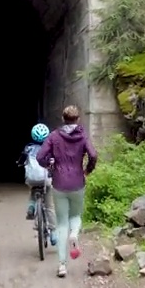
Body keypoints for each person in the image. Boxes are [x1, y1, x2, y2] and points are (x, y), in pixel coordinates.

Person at [36, 105, 98, 278]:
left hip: (59, 183)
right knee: (75, 216)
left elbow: (40, 156)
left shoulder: (54, 136)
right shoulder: (82, 136)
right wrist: (88, 170)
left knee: (62, 222)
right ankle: (74, 234)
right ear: (77, 119)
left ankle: (62, 265)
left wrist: (50, 164)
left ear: (63, 119)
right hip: (78, 182)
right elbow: (93, 155)